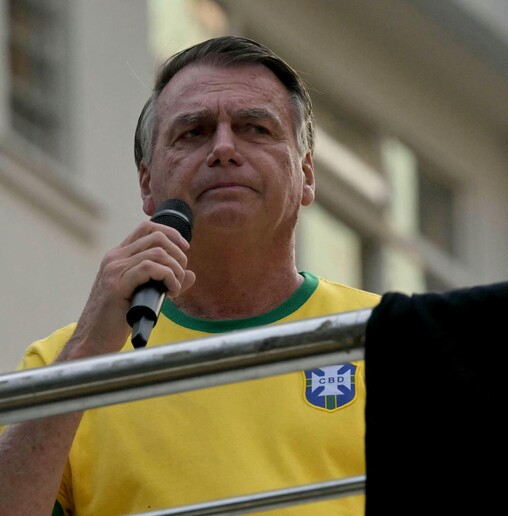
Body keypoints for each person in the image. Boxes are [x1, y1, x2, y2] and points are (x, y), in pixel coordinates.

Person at [0, 35, 380, 515]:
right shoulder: (63, 363)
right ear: (147, 184)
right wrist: (85, 352)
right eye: (194, 132)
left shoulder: (385, 335)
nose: (223, 148)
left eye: (255, 128)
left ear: (306, 173)